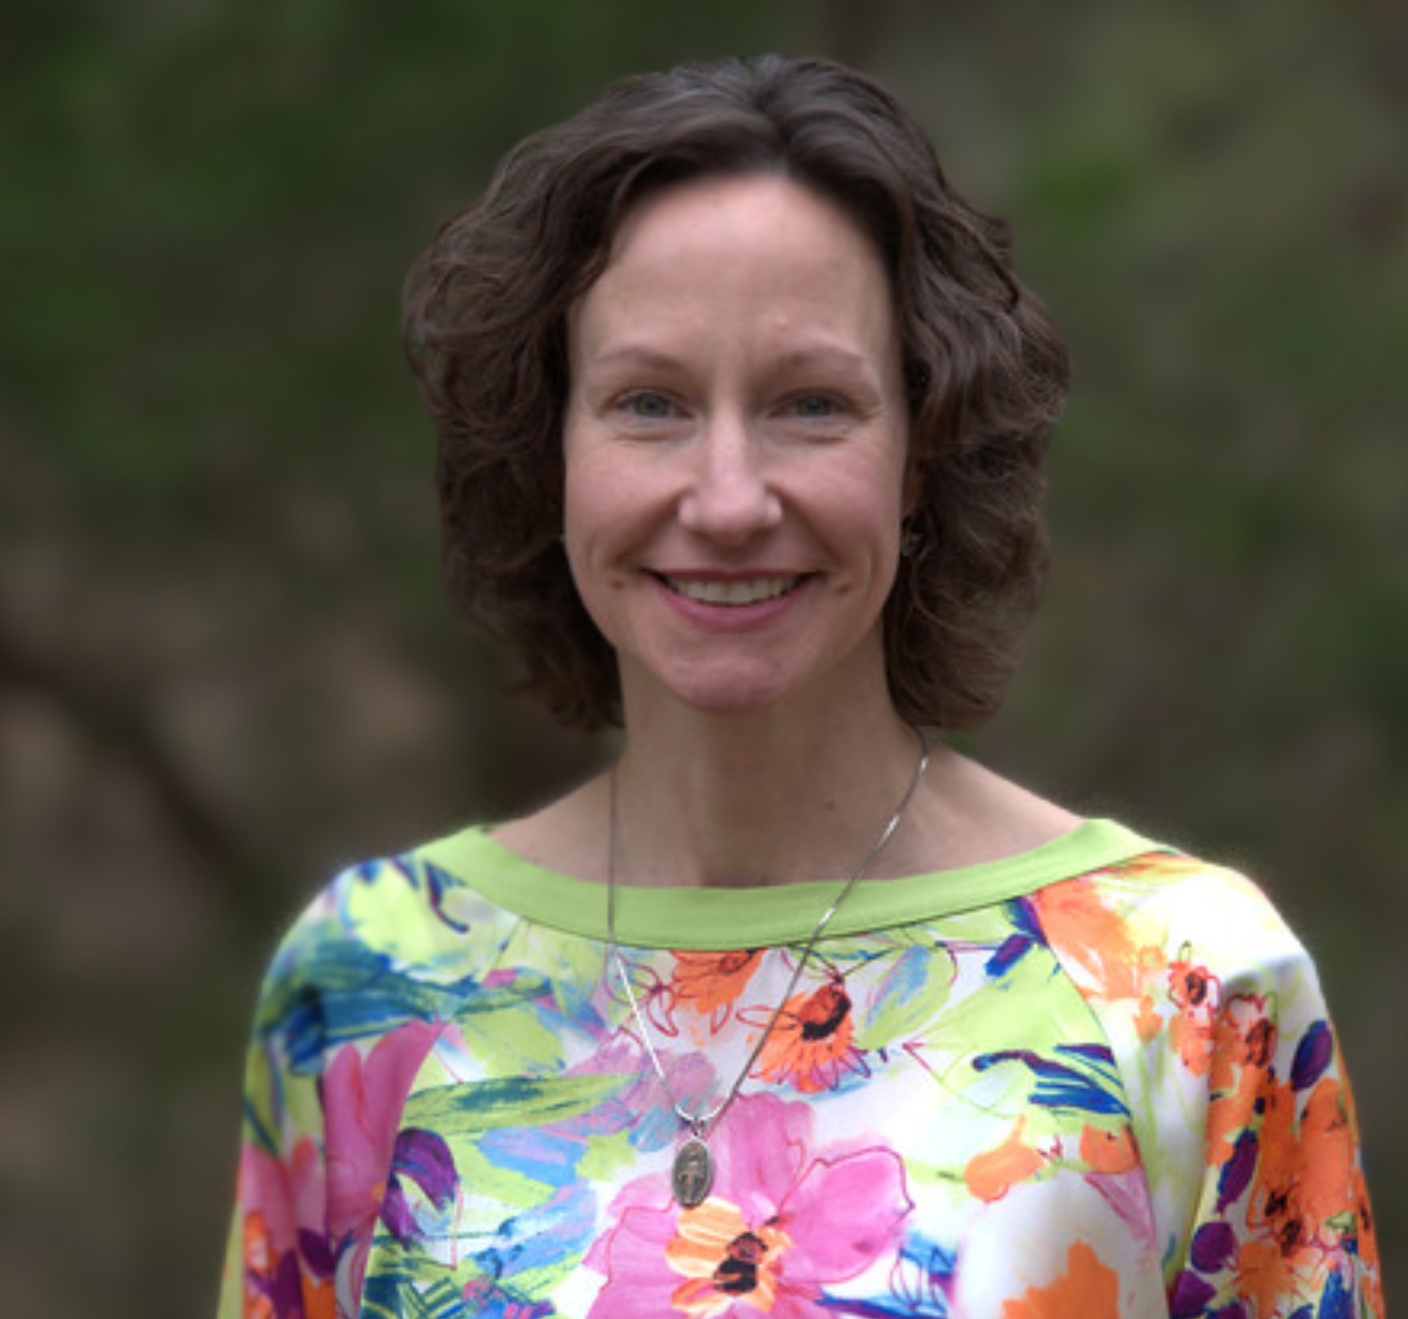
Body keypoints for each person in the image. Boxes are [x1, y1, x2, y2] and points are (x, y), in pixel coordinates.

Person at [218, 55, 1382, 1319]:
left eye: (810, 404)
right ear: (549, 449)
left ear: (922, 455)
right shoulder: (367, 985)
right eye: (648, 402)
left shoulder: (1190, 989)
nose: (726, 499)